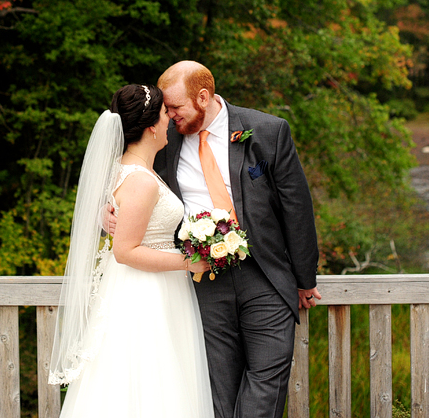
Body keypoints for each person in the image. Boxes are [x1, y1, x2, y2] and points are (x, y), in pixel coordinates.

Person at [108, 60, 321, 418]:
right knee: (218, 386)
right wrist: (106, 212)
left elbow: (296, 208)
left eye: (175, 107)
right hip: (200, 281)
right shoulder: (163, 139)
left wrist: (304, 280)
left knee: (268, 377)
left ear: (203, 97)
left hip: (265, 277)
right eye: (166, 110)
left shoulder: (266, 131)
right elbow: (128, 184)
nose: (170, 115)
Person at [49, 84, 214, 418]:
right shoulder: (141, 180)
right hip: (145, 294)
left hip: (145, 288)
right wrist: (190, 261)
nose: (171, 119)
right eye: (166, 114)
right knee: (149, 383)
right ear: (152, 126)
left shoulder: (128, 171)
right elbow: (125, 250)